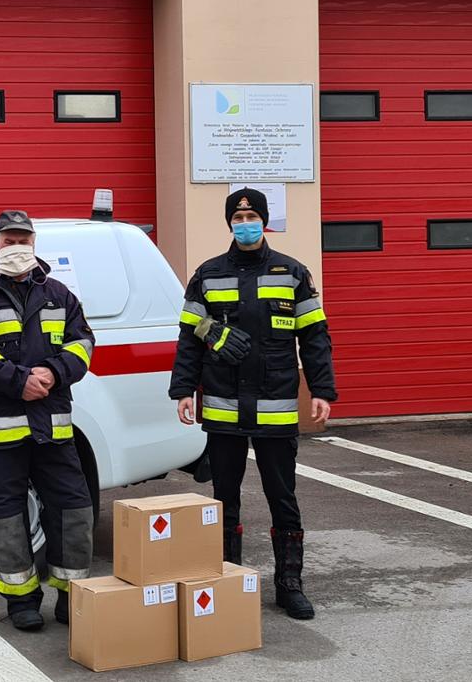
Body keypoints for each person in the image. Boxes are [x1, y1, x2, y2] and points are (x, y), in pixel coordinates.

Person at [168, 188, 336, 620]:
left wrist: (321, 389)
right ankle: (226, 580)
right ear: (230, 223)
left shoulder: (292, 272)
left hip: (276, 407)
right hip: (223, 409)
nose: (245, 223)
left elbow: (314, 337)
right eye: (238, 217)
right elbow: (188, 335)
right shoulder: (208, 274)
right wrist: (183, 389)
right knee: (224, 499)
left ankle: (289, 585)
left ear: (264, 221)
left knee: (283, 497)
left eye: (252, 216)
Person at [0, 210, 97, 631]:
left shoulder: (58, 294)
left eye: (24, 240)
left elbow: (83, 343)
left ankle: (72, 596)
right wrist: (20, 383)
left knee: (73, 509)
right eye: (9, 240)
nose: (17, 247)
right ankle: (21, 601)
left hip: (52, 428)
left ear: (34, 243)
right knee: (6, 519)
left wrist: (54, 371)